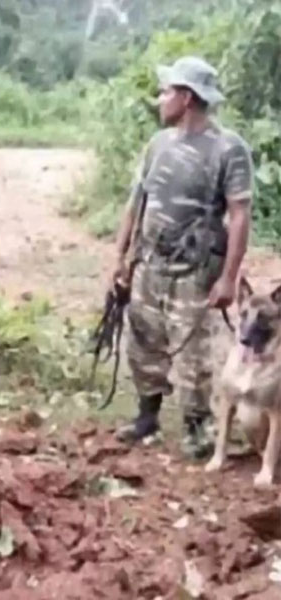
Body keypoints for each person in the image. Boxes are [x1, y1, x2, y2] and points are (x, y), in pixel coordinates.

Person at [112, 57, 253, 459]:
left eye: (167, 91)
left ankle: (196, 428)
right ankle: (147, 417)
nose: (160, 99)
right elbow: (136, 203)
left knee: (193, 353)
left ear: (187, 97)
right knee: (143, 340)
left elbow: (239, 215)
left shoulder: (228, 148)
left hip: (195, 269)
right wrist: (121, 257)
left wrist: (228, 278)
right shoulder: (157, 144)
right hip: (150, 262)